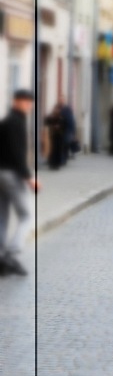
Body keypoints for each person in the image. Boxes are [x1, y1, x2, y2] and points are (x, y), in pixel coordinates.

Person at [0, 89, 40, 276]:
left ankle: (1, 257)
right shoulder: (16, 122)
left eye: (30, 102)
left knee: (2, 216)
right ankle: (11, 254)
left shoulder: (7, 121)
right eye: (26, 102)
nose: (29, 105)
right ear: (16, 102)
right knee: (27, 216)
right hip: (11, 175)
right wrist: (29, 177)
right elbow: (18, 153)